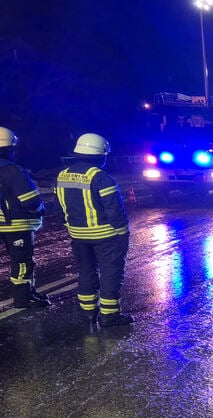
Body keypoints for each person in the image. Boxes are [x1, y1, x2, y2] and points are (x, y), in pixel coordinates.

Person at [55, 133, 133, 327]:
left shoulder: (62, 175)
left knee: (86, 271)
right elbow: (115, 211)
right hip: (105, 236)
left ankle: (88, 312)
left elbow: (61, 207)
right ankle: (109, 315)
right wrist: (123, 232)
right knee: (110, 273)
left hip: (77, 235)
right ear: (101, 156)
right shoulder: (101, 178)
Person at [0, 127, 51, 309]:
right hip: (16, 224)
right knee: (22, 262)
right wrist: (40, 209)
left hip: (3, 224)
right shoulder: (13, 171)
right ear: (9, 149)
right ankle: (23, 299)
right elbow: (30, 201)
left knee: (19, 260)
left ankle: (29, 291)